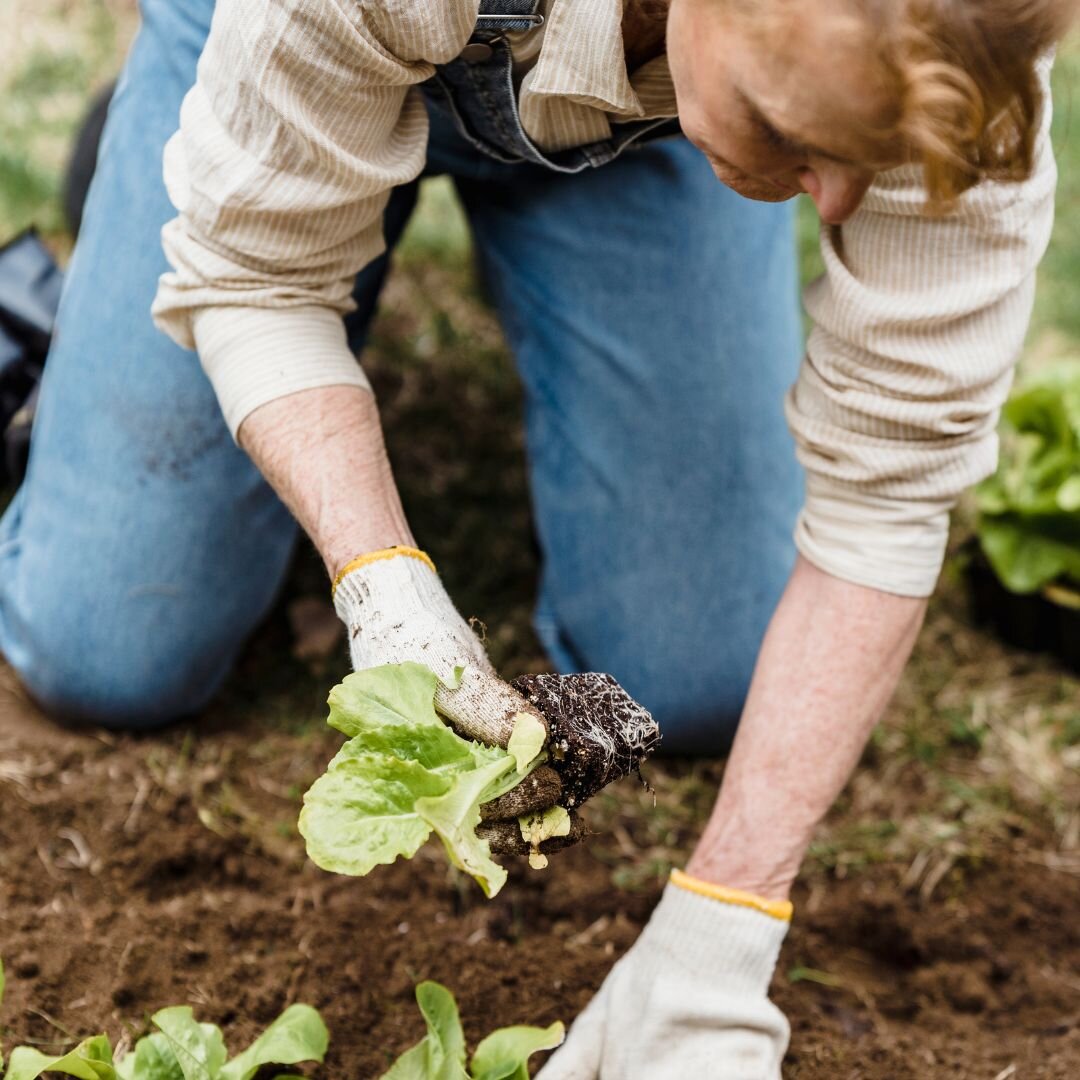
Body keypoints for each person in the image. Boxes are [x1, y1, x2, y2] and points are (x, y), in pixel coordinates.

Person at [0, 0, 1072, 1075]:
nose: (834, 201)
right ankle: (183, 146)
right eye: (794, 130)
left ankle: (553, 216)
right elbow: (256, 277)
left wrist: (722, 931)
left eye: (864, 155)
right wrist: (380, 579)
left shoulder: (961, 63)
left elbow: (886, 496)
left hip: (645, 125)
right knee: (105, 648)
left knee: (700, 673)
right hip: (323, 27)